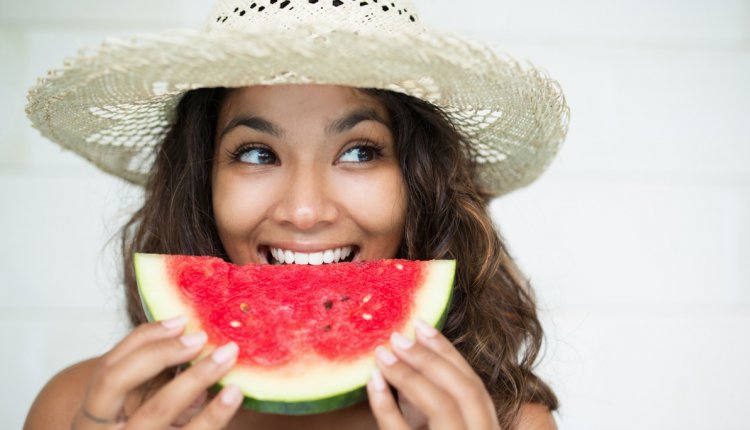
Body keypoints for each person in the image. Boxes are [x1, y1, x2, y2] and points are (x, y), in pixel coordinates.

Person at [23, 1, 568, 429]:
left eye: (360, 151)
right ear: (202, 180)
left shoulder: (506, 423)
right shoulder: (78, 410)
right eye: (257, 154)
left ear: (420, 181)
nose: (305, 212)